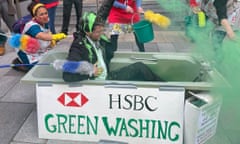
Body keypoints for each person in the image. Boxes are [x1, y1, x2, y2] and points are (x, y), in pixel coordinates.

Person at [63, 11, 164, 82]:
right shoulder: (78, 46)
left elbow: (113, 39)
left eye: (102, 30)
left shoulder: (100, 38)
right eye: (98, 32)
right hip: (98, 86)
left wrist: (134, 28)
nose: (101, 34)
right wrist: (89, 71)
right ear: (87, 31)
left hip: (108, 76)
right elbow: (67, 75)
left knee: (140, 67)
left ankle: (163, 87)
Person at [12, 1, 66, 72]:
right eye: (41, 14)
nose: (45, 16)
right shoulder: (31, 26)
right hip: (27, 52)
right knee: (39, 70)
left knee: (52, 61)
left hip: (38, 50)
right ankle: (20, 63)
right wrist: (55, 37)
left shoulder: (44, 21)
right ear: (35, 16)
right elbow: (41, 36)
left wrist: (50, 42)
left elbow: (47, 33)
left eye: (46, 13)